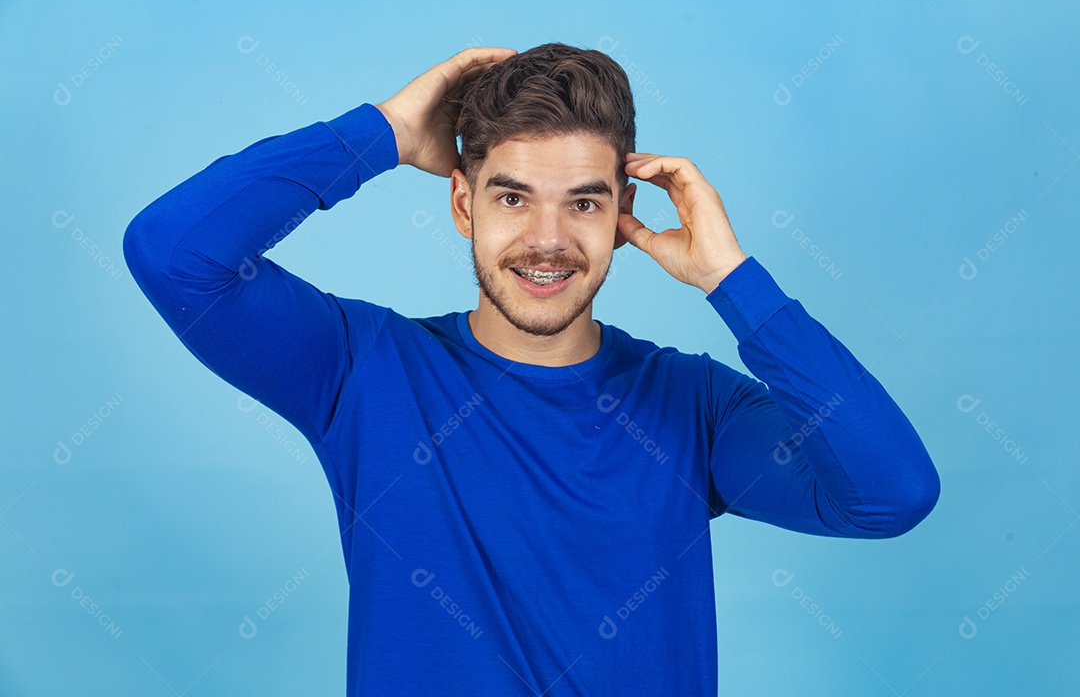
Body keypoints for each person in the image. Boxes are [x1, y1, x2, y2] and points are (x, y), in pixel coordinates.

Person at [122, 42, 940, 696]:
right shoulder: (360, 370)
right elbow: (173, 252)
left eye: (583, 202)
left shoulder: (693, 406)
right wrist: (384, 134)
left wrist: (732, 282)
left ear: (622, 213)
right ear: (462, 203)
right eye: (512, 198)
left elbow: (890, 494)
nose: (548, 241)